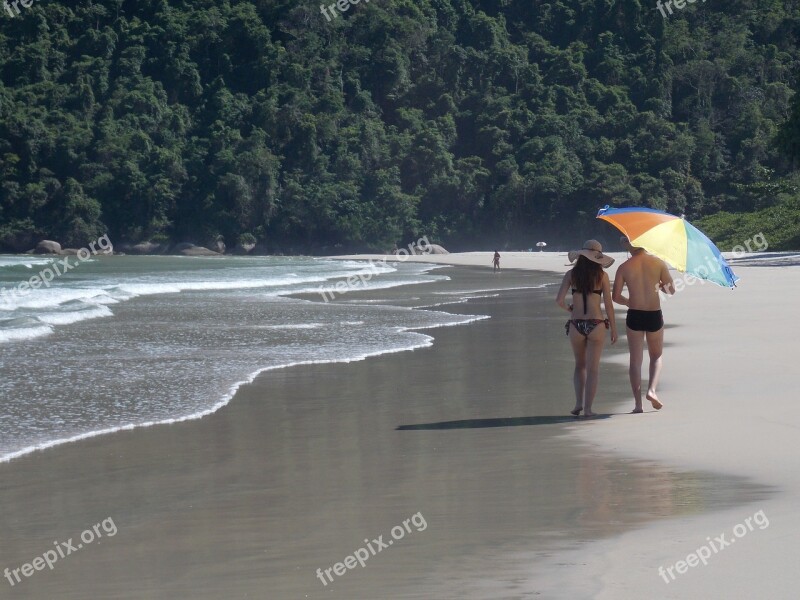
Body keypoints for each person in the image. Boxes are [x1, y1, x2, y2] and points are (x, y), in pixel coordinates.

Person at [612, 236, 675, 413]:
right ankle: (652, 391)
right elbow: (671, 290)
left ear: (628, 246)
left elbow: (615, 297)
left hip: (634, 314)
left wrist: (628, 302)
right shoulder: (658, 263)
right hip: (654, 314)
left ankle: (638, 405)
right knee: (656, 356)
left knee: (635, 360)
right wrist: (660, 286)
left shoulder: (624, 267)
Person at [556, 240, 618, 417]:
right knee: (593, 369)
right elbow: (608, 304)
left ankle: (577, 403)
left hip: (576, 325)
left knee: (579, 366)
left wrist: (570, 309)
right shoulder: (602, 276)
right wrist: (613, 328)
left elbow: (559, 301)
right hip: (596, 324)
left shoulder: (571, 274)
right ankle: (589, 408)